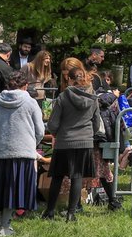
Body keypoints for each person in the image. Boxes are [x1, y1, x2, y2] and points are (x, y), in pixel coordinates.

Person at [0, 71, 45, 237]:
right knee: (17, 191)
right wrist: (31, 143)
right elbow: (40, 131)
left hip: (2, 153)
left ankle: (2, 224)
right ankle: (4, 226)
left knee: (3, 190)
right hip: (24, 153)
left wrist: (0, 137)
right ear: (25, 86)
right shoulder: (31, 102)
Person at [42, 66, 101, 222]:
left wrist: (55, 133)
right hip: (84, 141)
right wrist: (89, 134)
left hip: (64, 141)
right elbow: (96, 122)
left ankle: (49, 211)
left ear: (70, 78)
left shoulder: (63, 97)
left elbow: (53, 123)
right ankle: (71, 213)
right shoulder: (93, 97)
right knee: (77, 177)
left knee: (57, 177)